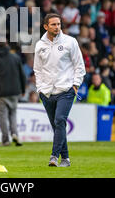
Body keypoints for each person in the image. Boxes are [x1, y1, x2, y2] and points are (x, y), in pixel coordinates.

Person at [33, 13, 86, 167]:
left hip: (66, 89)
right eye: (53, 24)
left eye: (58, 24)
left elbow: (79, 66)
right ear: (45, 27)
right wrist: (40, 89)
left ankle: (54, 157)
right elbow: (38, 70)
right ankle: (66, 159)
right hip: (47, 92)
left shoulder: (70, 42)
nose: (57, 27)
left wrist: (75, 85)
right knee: (57, 126)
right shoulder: (39, 45)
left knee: (60, 120)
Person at [0, 42, 26, 146]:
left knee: (2, 117)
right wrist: (22, 90)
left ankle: (5, 140)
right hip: (14, 91)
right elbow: (22, 74)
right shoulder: (15, 57)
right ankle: (15, 134)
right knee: (13, 114)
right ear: (7, 45)